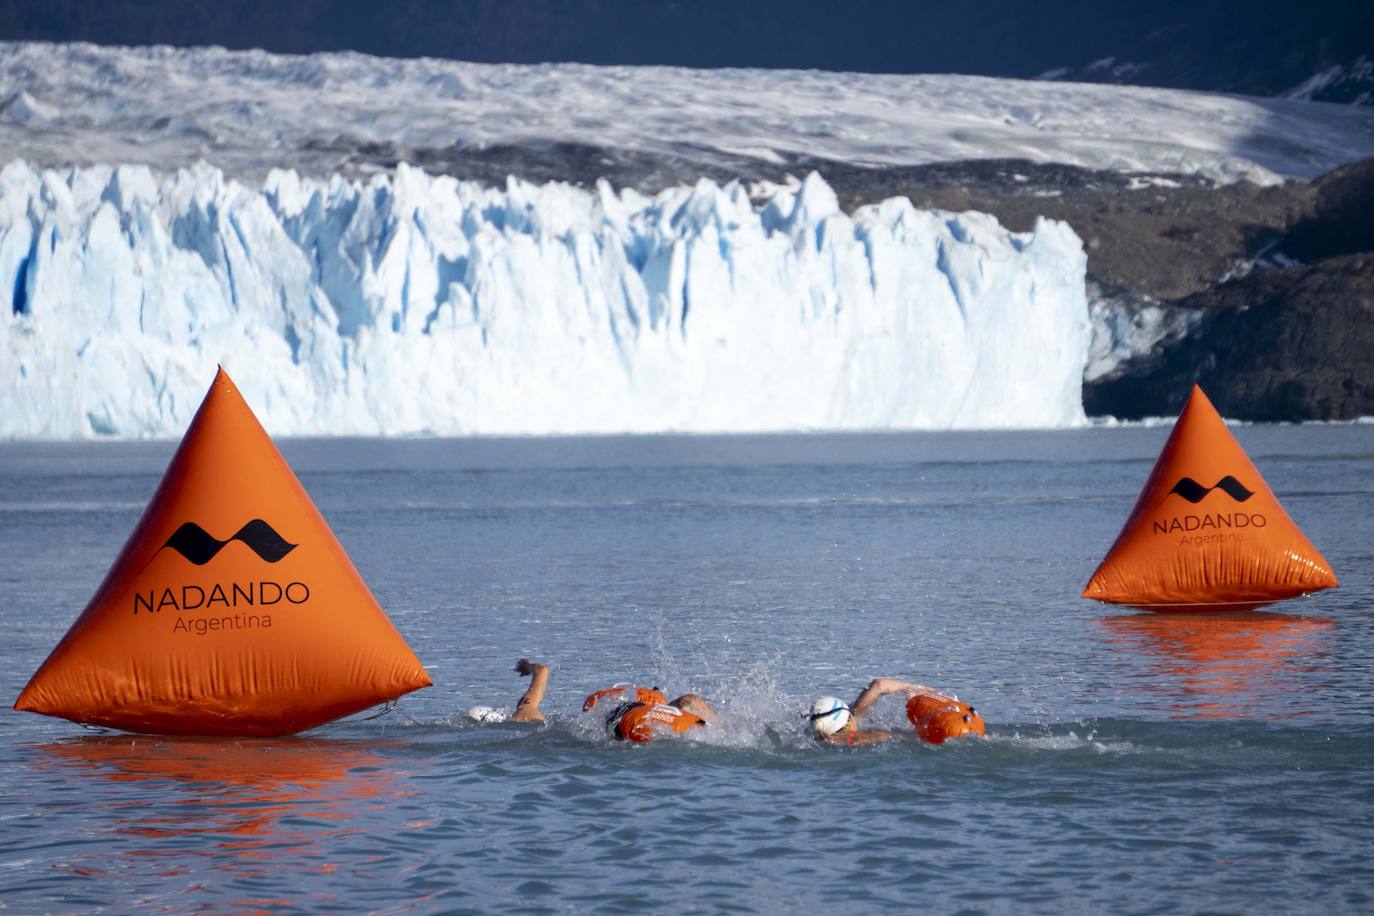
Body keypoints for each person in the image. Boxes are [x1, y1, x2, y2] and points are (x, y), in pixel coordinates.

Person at [809, 677, 984, 746]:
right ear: (846, 721)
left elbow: (878, 685)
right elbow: (895, 737)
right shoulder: (859, 737)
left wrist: (908, 688)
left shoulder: (815, 736)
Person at [583, 682, 719, 743]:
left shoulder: (610, 704)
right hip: (635, 721)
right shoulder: (657, 704)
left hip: (624, 725)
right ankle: (721, 725)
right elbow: (689, 700)